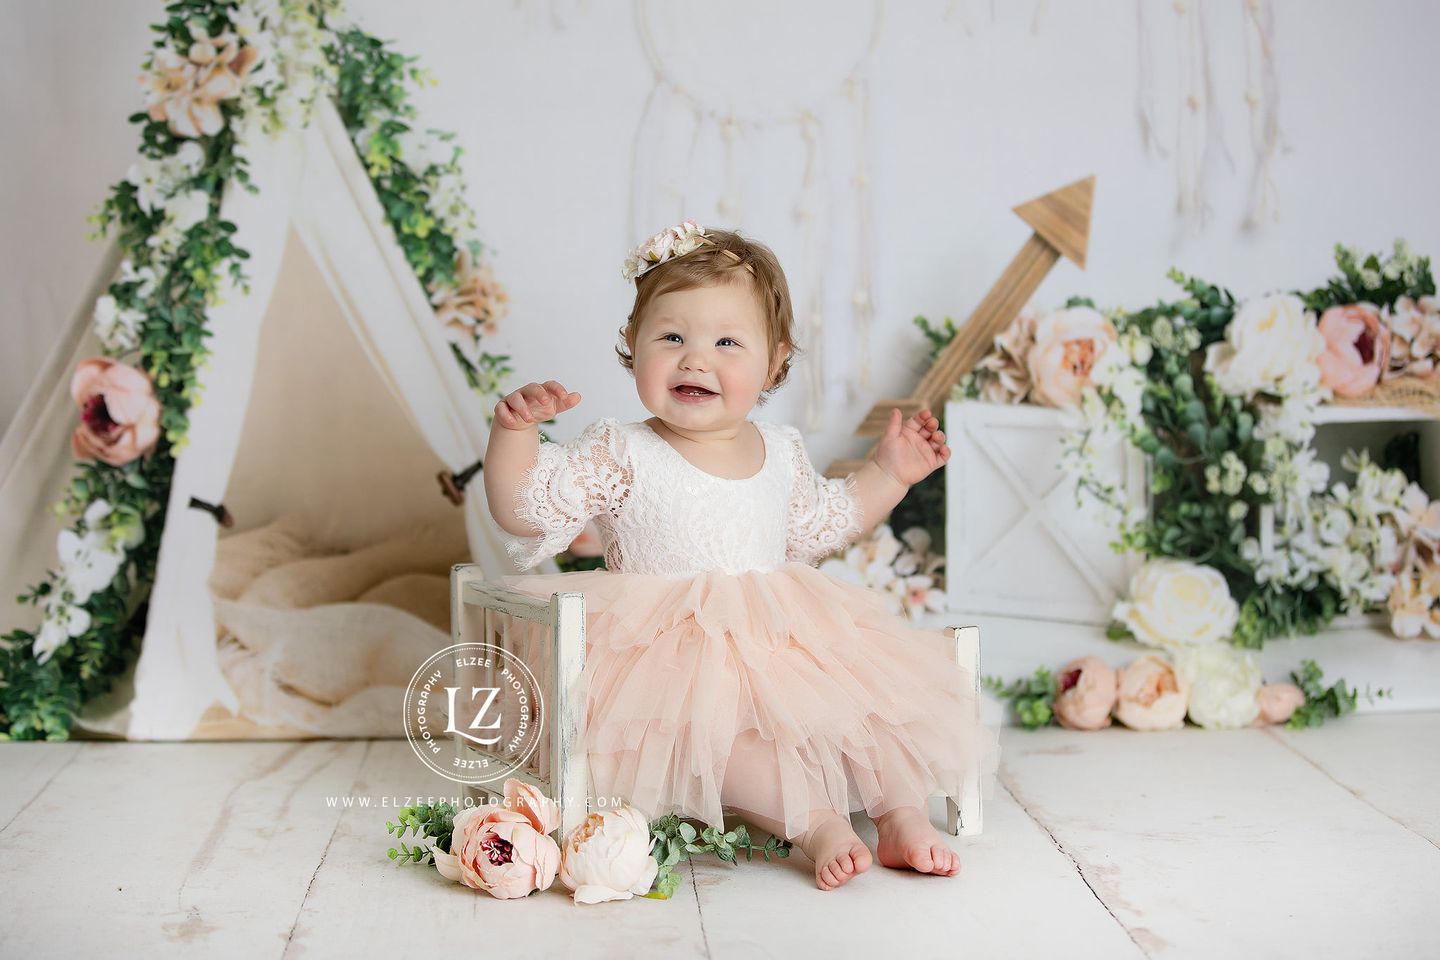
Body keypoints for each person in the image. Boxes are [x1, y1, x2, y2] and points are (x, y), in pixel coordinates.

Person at [482, 220, 999, 891]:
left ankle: (900, 815)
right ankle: (815, 824)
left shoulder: (780, 450)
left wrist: (890, 475)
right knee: (725, 735)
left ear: (775, 360)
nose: (695, 359)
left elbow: (825, 523)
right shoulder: (621, 449)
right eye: (671, 337)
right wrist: (514, 435)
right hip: (669, 648)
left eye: (726, 341)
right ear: (632, 348)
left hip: (782, 629)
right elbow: (524, 507)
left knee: (870, 711)